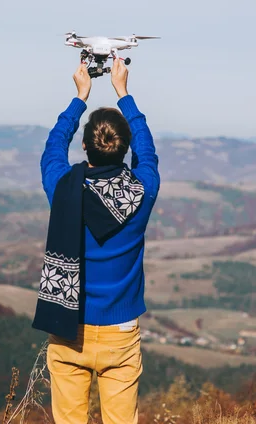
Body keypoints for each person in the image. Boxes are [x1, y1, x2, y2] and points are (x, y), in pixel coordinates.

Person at [32, 58, 160, 424]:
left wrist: (80, 97)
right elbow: (148, 154)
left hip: (68, 325)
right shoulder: (143, 190)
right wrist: (124, 93)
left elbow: (53, 148)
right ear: (125, 150)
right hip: (121, 332)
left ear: (85, 147)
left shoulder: (63, 188)